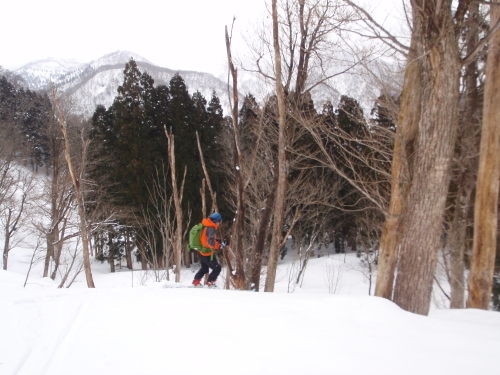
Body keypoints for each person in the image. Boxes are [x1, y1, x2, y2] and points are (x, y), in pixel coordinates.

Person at [192, 212, 227, 288]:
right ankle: (210, 282)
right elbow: (210, 242)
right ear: (216, 221)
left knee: (204, 268)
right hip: (206, 252)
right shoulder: (210, 228)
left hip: (201, 250)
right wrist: (220, 245)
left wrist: (220, 241)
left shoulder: (206, 225)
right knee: (217, 268)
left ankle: (196, 282)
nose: (219, 223)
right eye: (219, 221)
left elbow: (207, 239)